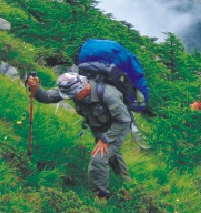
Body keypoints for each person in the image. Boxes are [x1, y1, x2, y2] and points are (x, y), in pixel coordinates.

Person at [27, 72, 131, 203]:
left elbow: (124, 120)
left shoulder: (109, 95)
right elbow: (46, 97)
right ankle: (127, 183)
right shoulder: (71, 89)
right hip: (99, 128)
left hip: (117, 128)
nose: (71, 98)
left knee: (98, 158)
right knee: (113, 155)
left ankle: (101, 199)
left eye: (73, 96)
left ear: (83, 88)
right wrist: (35, 87)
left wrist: (105, 140)